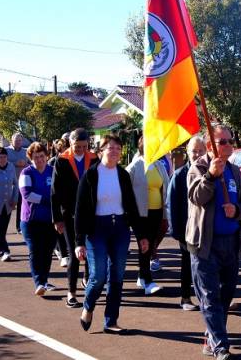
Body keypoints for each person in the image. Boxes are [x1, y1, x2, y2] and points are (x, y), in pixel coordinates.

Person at [186, 124, 241, 360]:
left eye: (229, 140)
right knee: (209, 297)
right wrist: (210, 176)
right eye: (221, 141)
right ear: (210, 144)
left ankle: (211, 337)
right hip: (206, 245)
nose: (227, 145)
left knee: (226, 295)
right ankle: (221, 348)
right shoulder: (199, 167)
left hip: (231, 243)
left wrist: (237, 210)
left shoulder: (235, 171)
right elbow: (197, 197)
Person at [74, 135, 148, 334]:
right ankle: (88, 306)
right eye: (110, 147)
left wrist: (141, 235)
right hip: (97, 229)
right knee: (98, 276)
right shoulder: (90, 175)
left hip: (120, 228)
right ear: (100, 151)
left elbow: (132, 206)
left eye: (118, 148)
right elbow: (80, 210)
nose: (115, 151)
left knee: (117, 276)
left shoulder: (123, 175)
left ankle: (111, 321)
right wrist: (79, 241)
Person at [51, 128, 98, 308]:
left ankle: (87, 279)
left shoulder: (94, 159)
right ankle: (71, 293)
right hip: (69, 215)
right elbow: (54, 192)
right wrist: (57, 219)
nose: (81, 150)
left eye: (84, 146)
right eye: (77, 146)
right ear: (70, 144)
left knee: (90, 251)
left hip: (90, 214)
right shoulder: (62, 161)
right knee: (74, 254)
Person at [126, 136, 169, 295]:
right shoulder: (134, 167)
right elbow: (126, 190)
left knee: (150, 245)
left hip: (157, 211)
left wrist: (165, 213)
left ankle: (142, 277)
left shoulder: (159, 165)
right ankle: (147, 280)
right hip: (141, 214)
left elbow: (165, 186)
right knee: (144, 245)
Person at [167, 136, 205, 311]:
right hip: (186, 230)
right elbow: (172, 205)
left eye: (200, 150)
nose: (197, 154)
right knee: (187, 264)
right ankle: (185, 298)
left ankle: (209, 298)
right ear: (187, 153)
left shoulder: (209, 172)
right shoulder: (179, 175)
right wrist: (177, 232)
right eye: (194, 151)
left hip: (206, 227)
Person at [19, 142, 56, 296]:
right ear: (30, 158)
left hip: (50, 220)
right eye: (36, 157)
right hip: (31, 221)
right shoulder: (26, 173)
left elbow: (60, 191)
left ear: (46, 156)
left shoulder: (53, 171)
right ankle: (39, 282)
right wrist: (48, 200)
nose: (39, 159)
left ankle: (44, 280)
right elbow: (27, 194)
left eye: (42, 156)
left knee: (47, 252)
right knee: (35, 251)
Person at [48, 138, 70, 268]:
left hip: (70, 201)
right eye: (64, 148)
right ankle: (63, 254)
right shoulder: (53, 162)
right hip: (59, 200)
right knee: (60, 229)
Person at [6, 133, 29, 234]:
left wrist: (25, 164)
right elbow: (2, 162)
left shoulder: (26, 151)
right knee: (8, 206)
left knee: (21, 205)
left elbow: (32, 164)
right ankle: (3, 228)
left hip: (22, 183)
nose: (18, 142)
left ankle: (19, 227)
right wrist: (16, 163)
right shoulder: (6, 151)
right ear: (12, 141)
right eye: (16, 140)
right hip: (9, 183)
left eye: (20, 140)